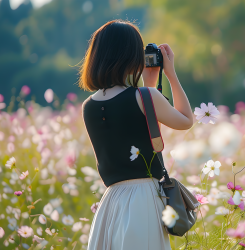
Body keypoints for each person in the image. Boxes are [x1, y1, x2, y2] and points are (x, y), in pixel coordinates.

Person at [78, 20, 193, 250]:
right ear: (131, 56)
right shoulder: (145, 96)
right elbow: (186, 120)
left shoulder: (88, 106)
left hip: (111, 202)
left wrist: (149, 83)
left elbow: (132, 121)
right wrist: (170, 74)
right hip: (143, 200)